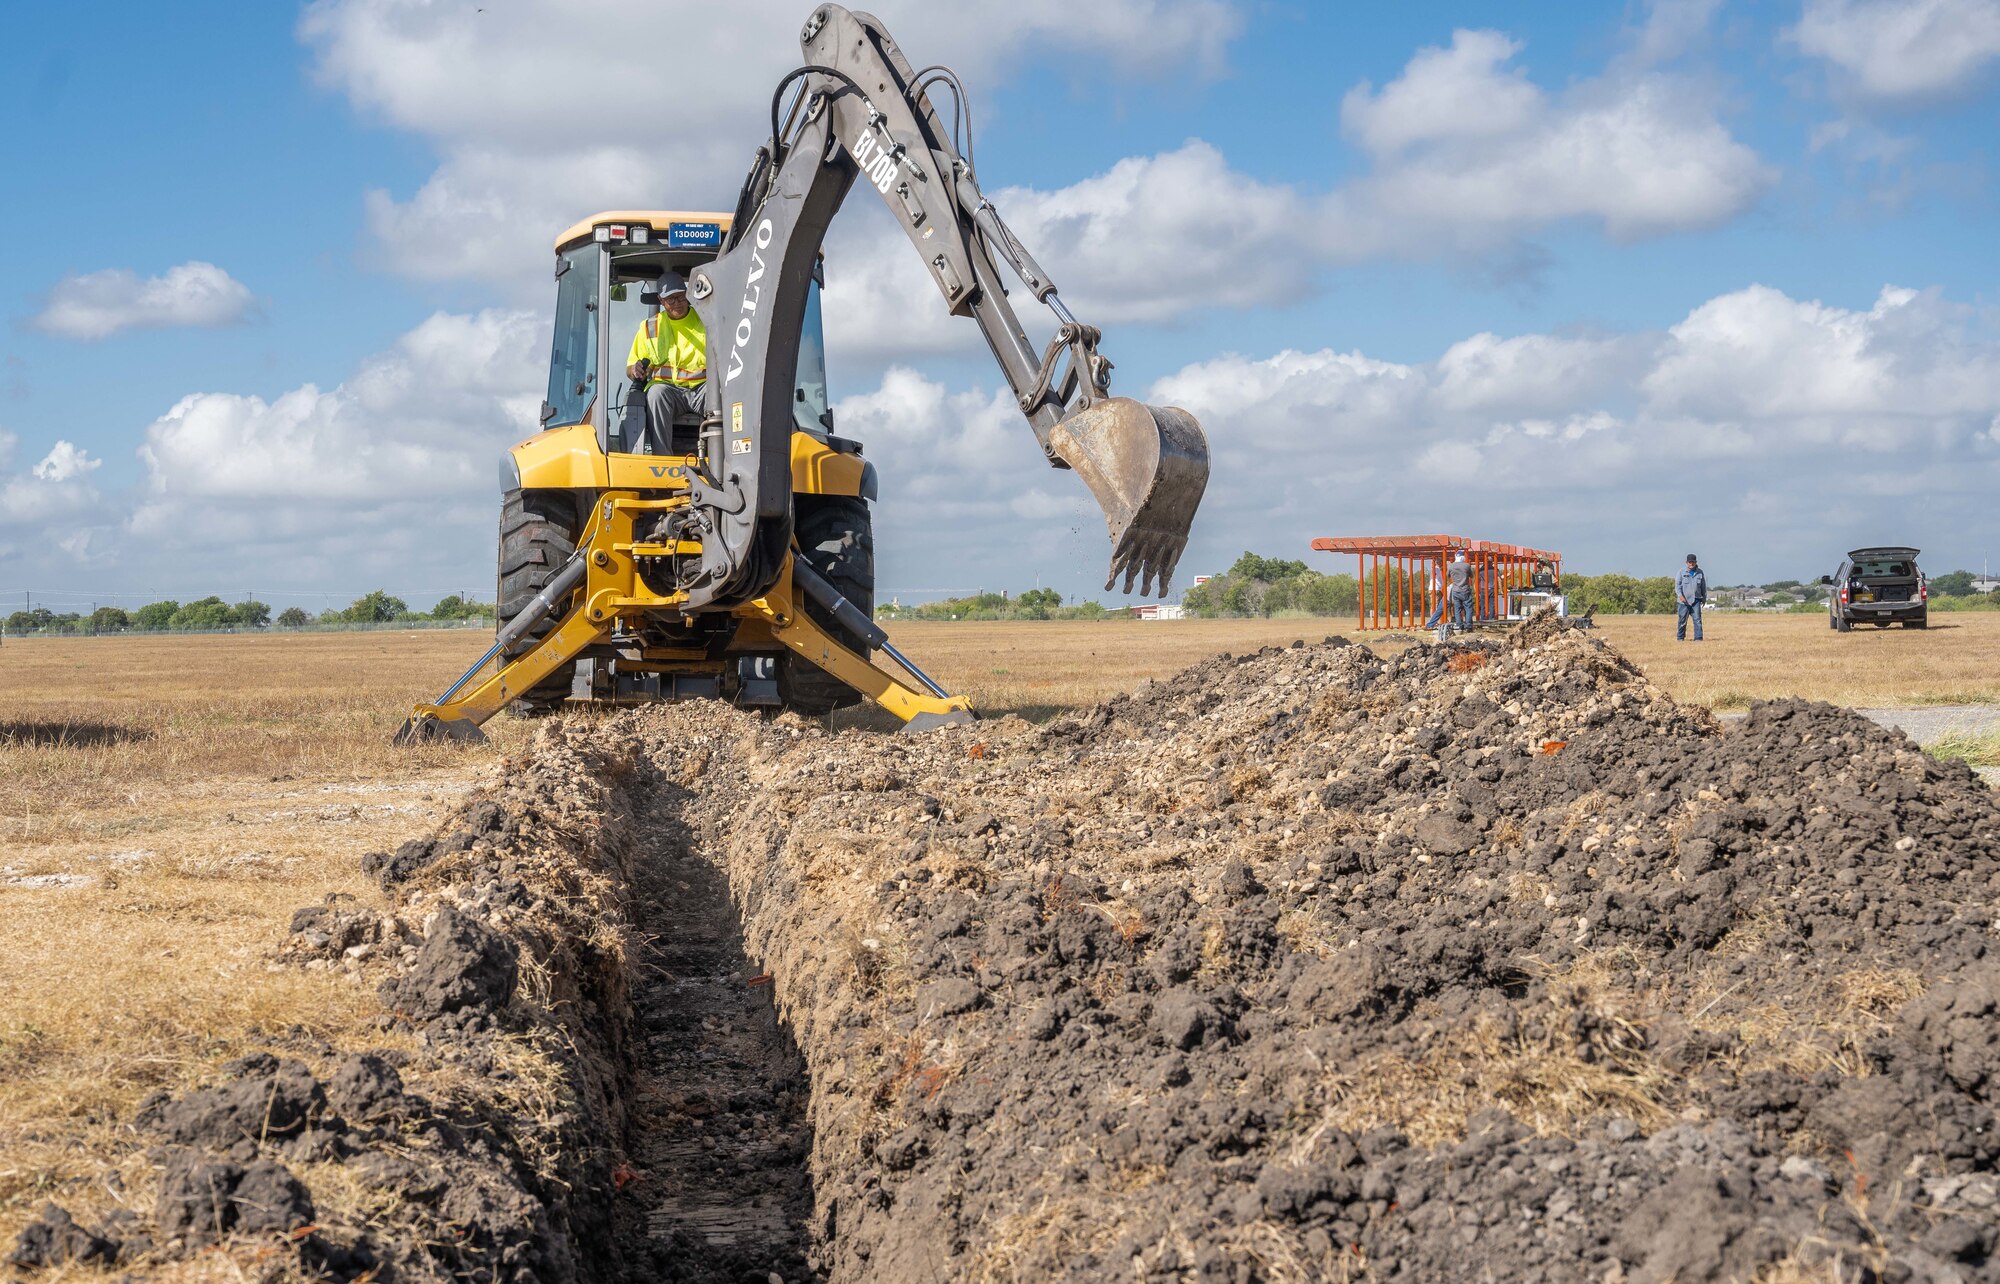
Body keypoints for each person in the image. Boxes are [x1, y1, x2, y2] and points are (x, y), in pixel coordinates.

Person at [625, 271, 707, 451]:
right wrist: (635, 370)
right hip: (670, 392)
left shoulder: (706, 320)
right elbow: (631, 367)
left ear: (687, 294)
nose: (677, 303)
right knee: (655, 394)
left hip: (702, 389)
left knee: (724, 395)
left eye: (680, 297)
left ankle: (724, 457)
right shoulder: (649, 327)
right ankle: (662, 460)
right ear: (661, 301)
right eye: (671, 299)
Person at [1676, 553, 1707, 641]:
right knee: (1682, 620)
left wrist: (1704, 598)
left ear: (1696, 562)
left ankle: (1698, 638)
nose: (1691, 564)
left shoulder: (1700, 572)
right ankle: (1680, 638)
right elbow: (1677, 586)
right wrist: (1680, 596)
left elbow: (1703, 587)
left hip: (1696, 600)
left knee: (1697, 620)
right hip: (1684, 601)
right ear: (1687, 562)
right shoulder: (1681, 572)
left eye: (1693, 562)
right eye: (1690, 562)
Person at [1446, 551, 1475, 634]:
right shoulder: (1466, 566)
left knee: (1457, 608)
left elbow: (1447, 576)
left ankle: (1459, 624)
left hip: (1456, 590)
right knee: (1468, 608)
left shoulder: (1451, 566)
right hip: (1465, 590)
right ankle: (1468, 625)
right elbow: (1471, 576)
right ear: (1463, 557)